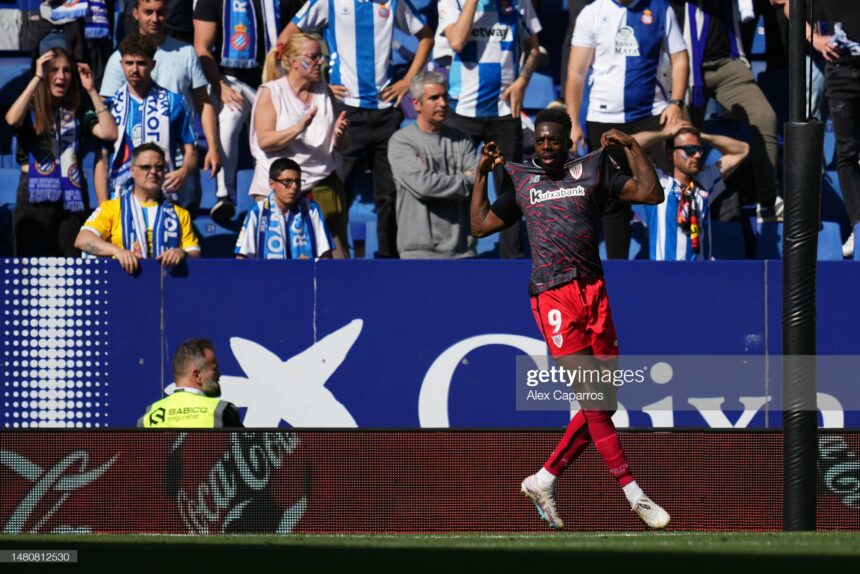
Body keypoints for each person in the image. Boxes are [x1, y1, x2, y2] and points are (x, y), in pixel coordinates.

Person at [469, 108, 670, 530]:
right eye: (540, 141)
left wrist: (632, 146)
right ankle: (634, 493)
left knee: (605, 403)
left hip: (594, 292)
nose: (545, 148)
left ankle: (543, 479)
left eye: (553, 141)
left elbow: (652, 194)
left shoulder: (594, 170)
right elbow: (481, 224)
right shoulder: (522, 178)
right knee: (595, 399)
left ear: (568, 141)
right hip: (552, 295)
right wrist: (480, 176)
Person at [282, 0, 434, 259]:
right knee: (338, 195)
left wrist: (408, 81)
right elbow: (286, 40)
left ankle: (389, 263)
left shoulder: (394, 3)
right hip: (346, 112)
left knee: (389, 197)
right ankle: (333, 264)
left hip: (385, 113)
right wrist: (321, 85)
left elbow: (426, 37)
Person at [566, 0, 689, 260]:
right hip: (604, 119)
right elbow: (576, 72)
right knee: (613, 200)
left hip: (652, 115)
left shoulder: (660, 9)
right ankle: (618, 271)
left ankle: (673, 262)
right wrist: (573, 123)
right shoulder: (592, 12)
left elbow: (679, 58)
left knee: (667, 191)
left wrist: (677, 102)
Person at [440, 0, 543, 259]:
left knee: (510, 190)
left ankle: (511, 260)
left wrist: (522, 80)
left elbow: (534, 46)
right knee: (456, 183)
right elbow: (456, 42)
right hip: (462, 109)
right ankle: (455, 253)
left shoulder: (519, 2)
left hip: (504, 111)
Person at [100, 0, 221, 216]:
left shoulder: (186, 52)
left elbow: (204, 102)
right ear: (135, 13)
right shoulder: (120, 59)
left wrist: (212, 146)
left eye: (160, 12)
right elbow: (104, 112)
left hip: (179, 164)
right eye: (148, 12)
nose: (155, 19)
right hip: (134, 167)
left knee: (180, 237)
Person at [668, 0, 782, 223]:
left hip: (727, 61)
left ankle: (768, 202)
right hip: (685, 63)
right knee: (683, 134)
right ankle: (682, 204)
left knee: (765, 118)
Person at [4, 47, 118, 257]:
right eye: (53, 70)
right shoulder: (30, 107)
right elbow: (11, 120)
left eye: (66, 70)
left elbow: (109, 133)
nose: (61, 76)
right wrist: (37, 77)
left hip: (71, 195)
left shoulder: (78, 108)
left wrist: (91, 90)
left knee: (70, 266)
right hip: (34, 195)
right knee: (32, 268)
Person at [193, 0, 295, 223]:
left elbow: (300, 25)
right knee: (230, 119)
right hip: (231, 80)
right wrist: (219, 84)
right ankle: (224, 194)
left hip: (275, 78)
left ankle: (275, 194)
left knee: (272, 134)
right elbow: (201, 47)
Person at [250, 34, 350, 258]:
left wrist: (340, 136)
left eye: (321, 57)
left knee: (336, 255)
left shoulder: (325, 92)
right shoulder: (271, 92)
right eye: (313, 57)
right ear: (294, 61)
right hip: (278, 186)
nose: (320, 62)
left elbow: (340, 146)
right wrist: (298, 128)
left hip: (322, 182)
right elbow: (265, 141)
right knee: (277, 255)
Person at [95, 33, 197, 203]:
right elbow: (102, 159)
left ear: (152, 64)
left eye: (141, 63)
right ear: (121, 64)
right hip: (120, 198)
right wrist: (103, 205)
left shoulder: (174, 102)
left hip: (162, 196)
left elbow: (191, 151)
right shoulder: (110, 107)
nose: (134, 69)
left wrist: (183, 171)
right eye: (129, 63)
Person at [388, 71, 478, 258]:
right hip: (420, 253)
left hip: (463, 252)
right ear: (416, 103)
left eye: (444, 96)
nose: (443, 103)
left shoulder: (463, 139)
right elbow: (425, 186)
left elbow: (479, 181)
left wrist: (437, 180)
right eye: (434, 98)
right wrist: (464, 179)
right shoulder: (401, 142)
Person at [74, 142, 201, 274]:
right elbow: (82, 239)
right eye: (146, 167)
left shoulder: (180, 214)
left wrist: (181, 253)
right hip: (122, 285)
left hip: (167, 288)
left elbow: (195, 253)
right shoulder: (112, 208)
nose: (153, 172)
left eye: (159, 167)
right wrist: (117, 252)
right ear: (132, 171)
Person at [634, 119, 749, 260]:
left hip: (700, 276)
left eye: (699, 149)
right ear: (671, 154)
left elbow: (742, 150)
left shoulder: (704, 183)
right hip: (664, 276)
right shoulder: (657, 183)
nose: (698, 155)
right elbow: (625, 145)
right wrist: (665, 133)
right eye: (690, 150)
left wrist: (702, 136)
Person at [814, 0, 860, 257]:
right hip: (841, 72)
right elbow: (790, 7)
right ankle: (859, 224)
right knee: (847, 151)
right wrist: (817, 40)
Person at [235, 158, 334, 259]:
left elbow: (325, 255)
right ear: (271, 184)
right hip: (268, 274)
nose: (294, 186)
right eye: (287, 182)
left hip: (305, 274)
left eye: (297, 181)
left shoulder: (312, 209)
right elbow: (242, 256)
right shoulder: (258, 212)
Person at [139, 338, 244, 428]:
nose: (219, 374)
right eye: (215, 369)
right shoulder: (221, 412)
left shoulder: (148, 417)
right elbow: (249, 450)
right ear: (197, 376)